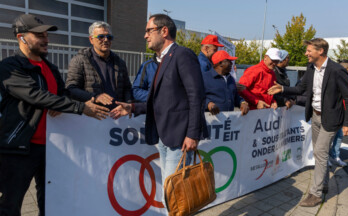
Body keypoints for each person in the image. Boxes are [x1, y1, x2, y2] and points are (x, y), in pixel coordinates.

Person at [0, 14, 109, 216]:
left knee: (50, 202)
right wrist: (81, 109)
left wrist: (87, 101)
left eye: (46, 35)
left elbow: (62, 94)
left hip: (51, 148)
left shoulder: (49, 67)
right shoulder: (9, 67)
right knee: (9, 205)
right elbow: (36, 96)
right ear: (21, 37)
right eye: (39, 34)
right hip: (18, 149)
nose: (45, 39)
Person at [109, 14, 208, 186]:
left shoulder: (182, 55)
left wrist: (192, 134)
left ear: (164, 31)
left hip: (180, 139)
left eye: (149, 30)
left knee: (174, 195)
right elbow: (162, 101)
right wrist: (133, 108)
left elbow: (196, 96)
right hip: (164, 137)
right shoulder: (163, 60)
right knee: (172, 194)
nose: (145, 35)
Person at [268, 38, 348, 207]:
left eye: (309, 50)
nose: (306, 53)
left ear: (320, 51)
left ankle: (315, 194)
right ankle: (323, 185)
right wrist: (283, 89)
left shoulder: (337, 70)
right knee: (318, 152)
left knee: (320, 153)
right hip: (315, 116)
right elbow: (301, 89)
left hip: (331, 119)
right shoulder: (310, 68)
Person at [66, 21, 133, 109]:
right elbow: (71, 89)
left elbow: (127, 89)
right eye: (101, 37)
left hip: (117, 117)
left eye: (109, 37)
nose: (106, 40)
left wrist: (127, 104)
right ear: (91, 39)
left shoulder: (120, 62)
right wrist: (94, 97)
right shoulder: (79, 60)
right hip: (93, 117)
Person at [203, 50, 249, 115]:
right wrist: (208, 104)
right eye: (229, 61)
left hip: (227, 122)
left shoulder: (231, 79)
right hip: (211, 121)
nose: (231, 64)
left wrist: (242, 102)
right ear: (220, 63)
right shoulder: (205, 78)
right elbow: (198, 97)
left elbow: (235, 96)